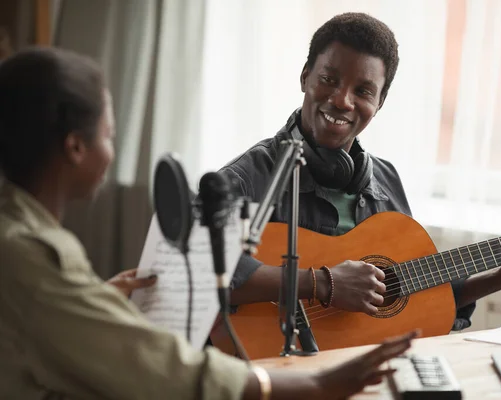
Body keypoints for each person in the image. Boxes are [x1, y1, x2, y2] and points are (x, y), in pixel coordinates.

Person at [0, 47, 418, 399]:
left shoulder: (23, 243)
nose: (342, 100)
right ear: (75, 147)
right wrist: (315, 383)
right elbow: (159, 365)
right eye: (109, 135)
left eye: (363, 90)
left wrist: (91, 302)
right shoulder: (31, 258)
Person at [222, 12, 501, 331]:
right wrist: (323, 283)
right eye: (329, 79)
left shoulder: (385, 182)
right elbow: (196, 273)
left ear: (380, 103)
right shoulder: (245, 178)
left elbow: (417, 300)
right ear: (305, 77)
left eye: (363, 91)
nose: (342, 100)